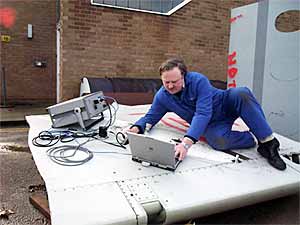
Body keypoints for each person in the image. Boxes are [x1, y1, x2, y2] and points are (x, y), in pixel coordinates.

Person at [127, 58, 286, 170]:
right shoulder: (163, 96)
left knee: (241, 93)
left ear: (184, 76)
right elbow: (151, 117)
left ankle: (268, 143)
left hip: (224, 105)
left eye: (174, 81)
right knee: (218, 141)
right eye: (165, 82)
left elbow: (202, 113)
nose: (169, 86)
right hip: (213, 124)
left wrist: (186, 144)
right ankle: (249, 138)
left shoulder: (198, 80)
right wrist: (136, 128)